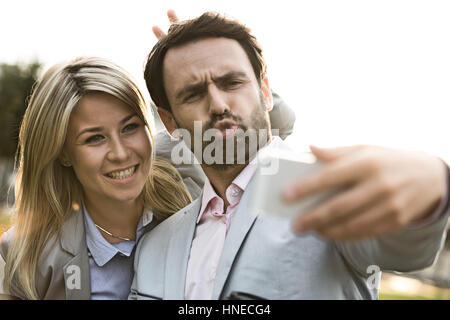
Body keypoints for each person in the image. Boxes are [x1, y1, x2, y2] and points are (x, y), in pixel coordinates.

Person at [130, 12, 450, 299]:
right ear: (169, 120)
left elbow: (409, 249)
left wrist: (433, 185)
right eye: (193, 93)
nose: (218, 105)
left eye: (232, 82)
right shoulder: (153, 246)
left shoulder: (326, 196)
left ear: (266, 92)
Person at [0, 57, 192, 300]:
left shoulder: (191, 175)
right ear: (63, 153)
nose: (121, 153)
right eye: (94, 138)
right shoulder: (28, 255)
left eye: (130, 127)